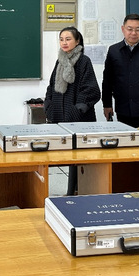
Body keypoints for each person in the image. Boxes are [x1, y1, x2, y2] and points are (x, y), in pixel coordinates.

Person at [43, 26, 101, 195]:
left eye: (68, 39)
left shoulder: (84, 61)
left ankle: (78, 191)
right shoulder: (60, 61)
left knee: (80, 158)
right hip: (60, 117)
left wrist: (76, 110)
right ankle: (71, 192)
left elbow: (91, 90)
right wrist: (48, 105)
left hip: (79, 119)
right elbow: (52, 86)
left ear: (77, 41)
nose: (64, 42)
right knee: (69, 157)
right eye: (61, 39)